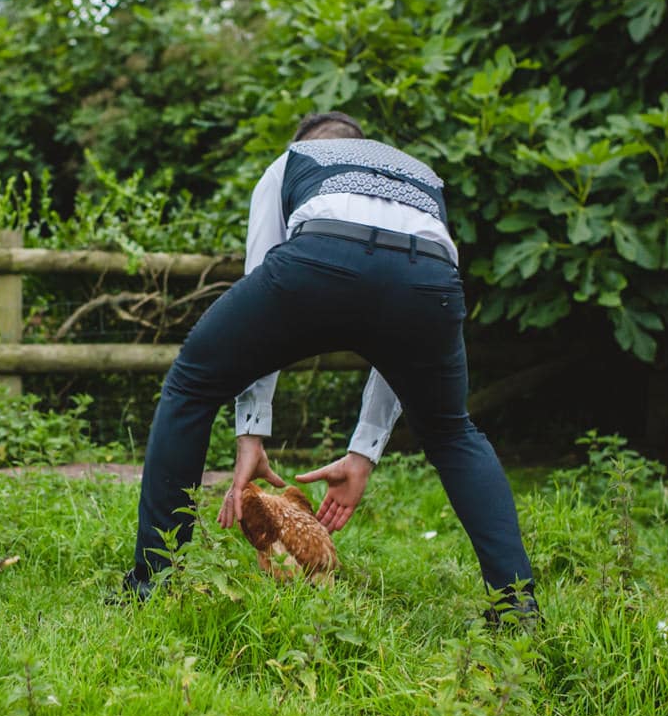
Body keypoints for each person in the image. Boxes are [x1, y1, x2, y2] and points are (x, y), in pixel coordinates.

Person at [118, 111, 538, 625]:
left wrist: (250, 431)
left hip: (320, 258)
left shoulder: (292, 160)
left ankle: (154, 584)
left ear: (307, 145)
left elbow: (261, 271)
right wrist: (364, 452)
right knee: (452, 433)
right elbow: (397, 342)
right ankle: (519, 613)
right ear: (365, 146)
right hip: (427, 280)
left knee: (191, 384)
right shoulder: (420, 174)